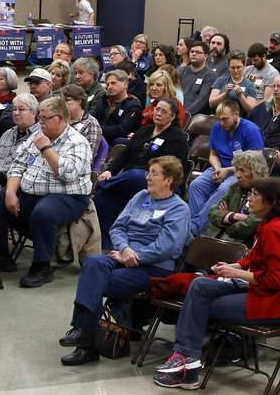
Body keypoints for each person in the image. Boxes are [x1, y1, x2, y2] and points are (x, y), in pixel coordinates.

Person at [154, 177, 280, 390]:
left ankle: (186, 366)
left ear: (271, 202)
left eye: (255, 195)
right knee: (200, 286)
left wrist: (234, 273)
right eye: (251, 193)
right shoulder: (268, 225)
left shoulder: (275, 229)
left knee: (198, 304)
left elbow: (274, 280)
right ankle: (187, 361)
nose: (249, 199)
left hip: (275, 303)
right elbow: (255, 260)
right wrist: (237, 266)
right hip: (262, 292)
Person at [59, 156, 190, 366]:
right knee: (93, 263)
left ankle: (85, 341)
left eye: (154, 174)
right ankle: (84, 334)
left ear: (169, 180)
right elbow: (118, 227)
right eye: (149, 172)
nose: (148, 177)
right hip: (124, 255)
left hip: (154, 268)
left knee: (93, 280)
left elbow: (167, 247)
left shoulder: (178, 209)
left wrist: (133, 256)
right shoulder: (141, 196)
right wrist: (125, 249)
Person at [0, 97, 92, 288]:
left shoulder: (77, 142)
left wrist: (45, 148)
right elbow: (17, 167)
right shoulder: (35, 138)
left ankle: (42, 267)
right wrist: (11, 192)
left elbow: (67, 173)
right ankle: (1, 256)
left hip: (67, 196)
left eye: (45, 119)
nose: (40, 123)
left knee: (44, 212)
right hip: (31, 192)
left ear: (60, 119)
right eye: (40, 118)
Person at [93, 98, 188, 249]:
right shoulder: (144, 131)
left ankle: (102, 184)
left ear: (172, 116)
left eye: (164, 111)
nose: (158, 113)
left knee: (134, 175)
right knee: (103, 196)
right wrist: (110, 171)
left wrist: (111, 178)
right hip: (133, 180)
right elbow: (125, 155)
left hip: (161, 183)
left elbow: (167, 168)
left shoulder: (177, 138)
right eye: (157, 109)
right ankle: (107, 243)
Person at [188, 100, 264, 234]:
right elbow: (213, 155)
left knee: (224, 189)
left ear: (236, 114)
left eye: (225, 119)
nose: (222, 123)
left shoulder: (251, 130)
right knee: (196, 185)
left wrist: (228, 170)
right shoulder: (217, 127)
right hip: (220, 167)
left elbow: (255, 161)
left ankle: (194, 228)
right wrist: (218, 169)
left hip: (240, 171)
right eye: (219, 119)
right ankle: (200, 228)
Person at [206, 150, 268, 247]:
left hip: (240, 247)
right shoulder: (234, 187)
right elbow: (212, 213)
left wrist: (224, 218)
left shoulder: (266, 192)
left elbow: (249, 228)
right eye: (237, 170)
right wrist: (233, 216)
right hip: (216, 238)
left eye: (242, 170)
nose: (237, 175)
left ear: (256, 171)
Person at [90, 69, 142, 146]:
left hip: (113, 145)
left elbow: (121, 131)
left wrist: (96, 129)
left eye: (113, 83)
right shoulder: (104, 100)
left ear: (125, 84)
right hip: (94, 139)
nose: (109, 87)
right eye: (107, 84)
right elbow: (91, 119)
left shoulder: (133, 105)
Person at [62, 84, 103, 168]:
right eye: (62, 101)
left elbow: (88, 158)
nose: (63, 104)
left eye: (67, 100)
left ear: (79, 101)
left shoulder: (91, 124)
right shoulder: (59, 119)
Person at [208, 49, 258, 116]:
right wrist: (225, 94)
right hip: (219, 117)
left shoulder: (249, 85)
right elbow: (211, 103)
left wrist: (240, 96)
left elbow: (251, 110)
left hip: (239, 120)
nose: (236, 70)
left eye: (238, 67)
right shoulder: (221, 80)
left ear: (244, 66)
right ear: (228, 67)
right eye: (232, 67)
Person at [180, 41, 217, 115]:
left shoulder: (210, 75)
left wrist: (184, 114)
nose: (193, 54)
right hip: (177, 111)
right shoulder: (181, 71)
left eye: (197, 52)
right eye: (192, 51)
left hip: (194, 116)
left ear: (206, 56)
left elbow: (202, 100)